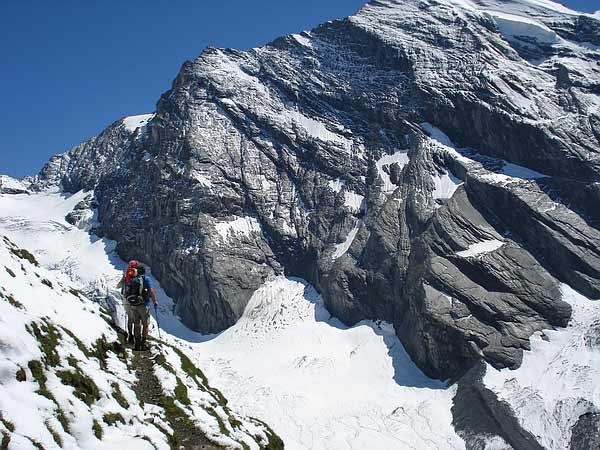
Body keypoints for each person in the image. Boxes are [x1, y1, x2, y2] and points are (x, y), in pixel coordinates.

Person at [126, 265, 159, 351]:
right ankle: (143, 344)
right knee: (145, 324)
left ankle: (137, 344)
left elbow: (126, 293)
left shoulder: (132, 280)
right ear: (144, 272)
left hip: (133, 305)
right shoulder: (146, 279)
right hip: (144, 305)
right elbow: (151, 290)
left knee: (137, 324)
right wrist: (155, 301)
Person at [116, 260, 139, 344]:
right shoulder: (138, 276)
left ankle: (130, 336)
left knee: (129, 318)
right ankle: (138, 338)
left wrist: (123, 280)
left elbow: (118, 286)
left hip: (127, 299)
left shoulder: (126, 276)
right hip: (136, 299)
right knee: (136, 319)